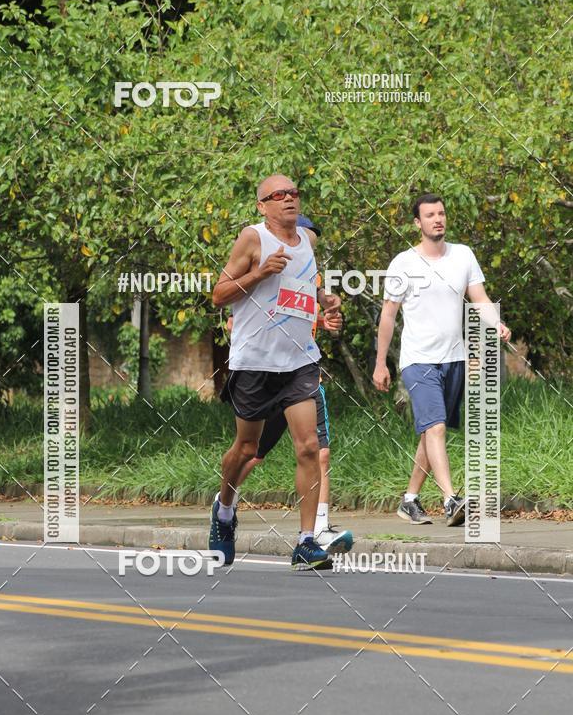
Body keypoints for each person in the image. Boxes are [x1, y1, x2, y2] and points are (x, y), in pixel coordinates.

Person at [210, 175, 342, 568]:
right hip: (255, 362)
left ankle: (306, 541)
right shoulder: (252, 239)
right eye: (278, 195)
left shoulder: (307, 243)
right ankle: (224, 510)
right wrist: (260, 272)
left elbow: (300, 289)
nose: (289, 199)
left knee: (309, 447)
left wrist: (324, 300)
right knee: (246, 449)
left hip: (299, 361)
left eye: (294, 193)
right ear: (262, 205)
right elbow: (219, 295)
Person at [373, 193, 511, 526]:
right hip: (418, 360)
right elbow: (388, 315)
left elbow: (478, 298)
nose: (438, 219)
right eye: (430, 215)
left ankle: (409, 500)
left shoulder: (463, 255)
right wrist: (380, 362)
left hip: (454, 359)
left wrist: (497, 324)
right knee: (434, 426)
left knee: (431, 431)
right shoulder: (403, 263)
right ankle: (451, 500)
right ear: (417, 223)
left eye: (441, 213)